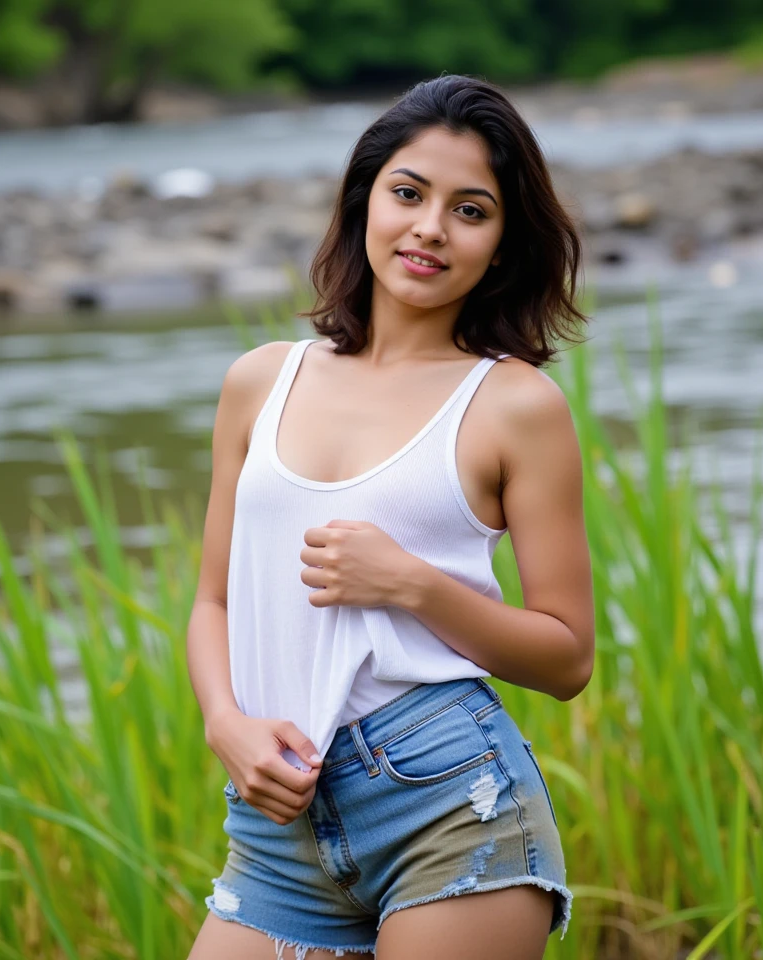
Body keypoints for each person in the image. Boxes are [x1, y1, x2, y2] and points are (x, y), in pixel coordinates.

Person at [186, 73, 595, 960]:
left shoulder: (514, 405)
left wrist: (413, 586)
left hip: (447, 802)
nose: (429, 228)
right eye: (408, 193)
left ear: (502, 242)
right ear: (364, 197)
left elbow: (567, 658)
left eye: (470, 210)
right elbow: (213, 601)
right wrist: (226, 722)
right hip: (276, 822)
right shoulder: (260, 380)